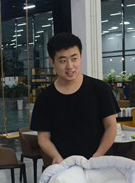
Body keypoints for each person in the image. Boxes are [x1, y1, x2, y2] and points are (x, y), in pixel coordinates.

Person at [30, 32, 120, 164]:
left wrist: (99, 154)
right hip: (64, 166)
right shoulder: (45, 98)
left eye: (74, 59)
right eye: (63, 61)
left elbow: (111, 126)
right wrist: (56, 157)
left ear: (81, 56)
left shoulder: (100, 89)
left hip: (99, 164)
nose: (70, 66)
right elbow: (43, 137)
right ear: (52, 62)